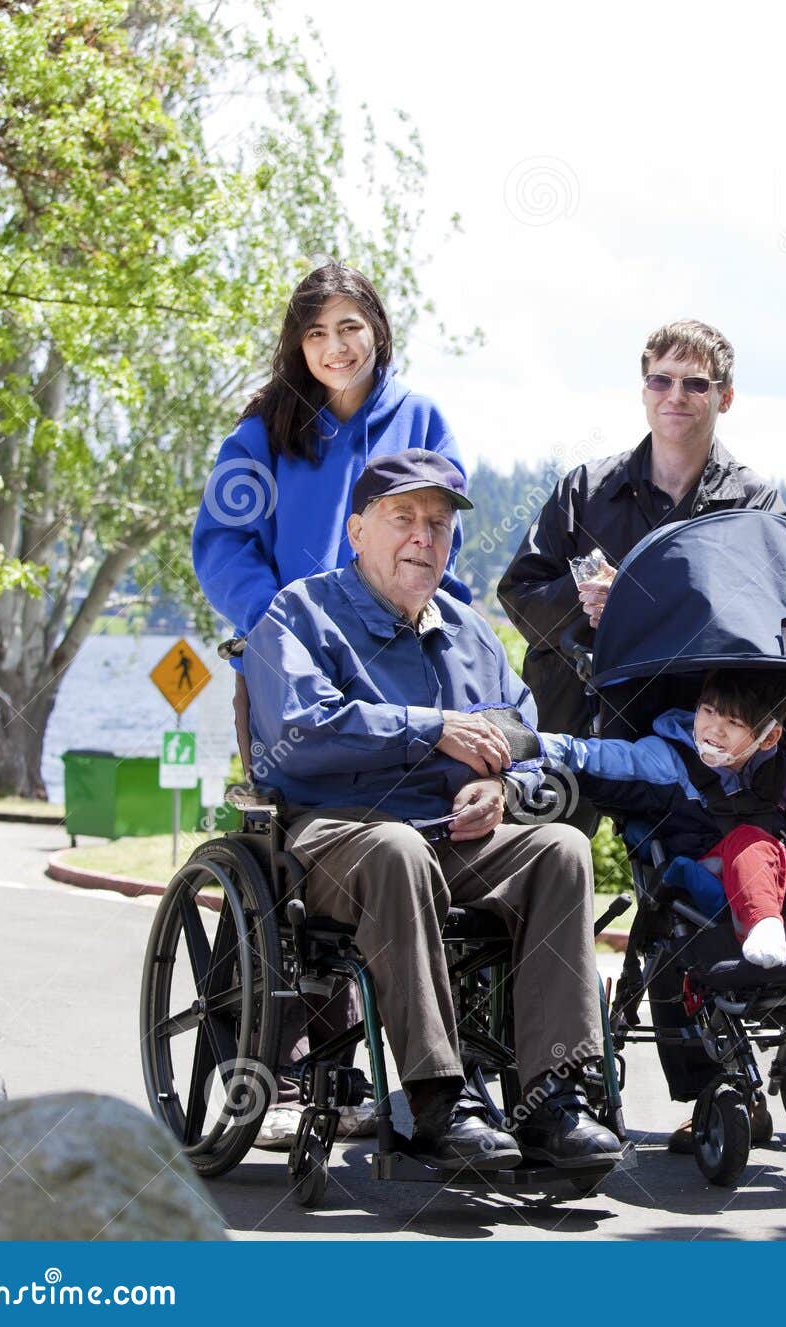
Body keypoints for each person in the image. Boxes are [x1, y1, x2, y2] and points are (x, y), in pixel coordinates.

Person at [242, 449, 622, 1170]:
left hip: (454, 833)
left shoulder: (468, 629)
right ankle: (442, 1096)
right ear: (357, 530)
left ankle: (555, 1098)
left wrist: (504, 789)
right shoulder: (300, 614)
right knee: (396, 849)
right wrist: (428, 727)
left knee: (561, 850)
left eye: (440, 524)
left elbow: (523, 730)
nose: (424, 536)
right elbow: (296, 736)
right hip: (340, 834)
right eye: (404, 518)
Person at [191, 263, 469, 1143]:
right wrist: (277, 621)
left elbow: (437, 540)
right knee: (295, 845)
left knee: (406, 826)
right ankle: (275, 1058)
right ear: (298, 345)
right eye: (316, 333)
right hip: (292, 666)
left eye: (350, 327)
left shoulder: (419, 418)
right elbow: (221, 543)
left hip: (394, 651)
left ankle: (414, 1065)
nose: (335, 347)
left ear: (377, 329)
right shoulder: (267, 430)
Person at [497, 320, 784, 747]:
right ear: (644, 390)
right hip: (576, 722)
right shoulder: (584, 490)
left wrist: (632, 602)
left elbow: (769, 629)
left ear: (726, 398)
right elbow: (520, 597)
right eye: (661, 379)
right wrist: (586, 597)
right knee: (551, 819)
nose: (675, 395)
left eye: (696, 384)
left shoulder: (753, 506)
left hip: (693, 735)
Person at [539, 668, 786, 967]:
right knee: (750, 838)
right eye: (708, 712)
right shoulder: (667, 760)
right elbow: (593, 756)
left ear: (769, 737)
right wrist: (533, 745)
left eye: (733, 723)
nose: (714, 730)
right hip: (716, 871)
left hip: (777, 869)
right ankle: (762, 925)